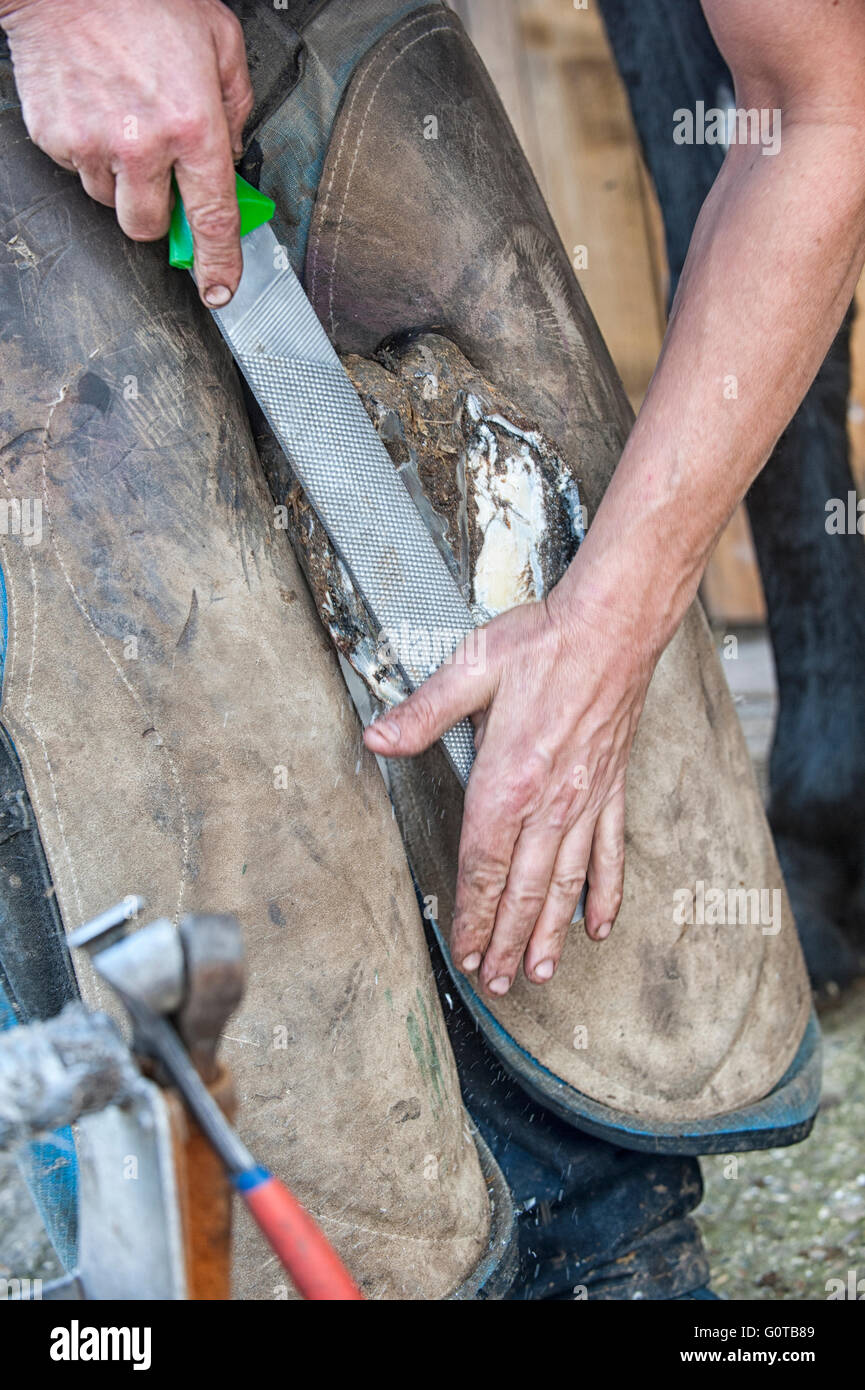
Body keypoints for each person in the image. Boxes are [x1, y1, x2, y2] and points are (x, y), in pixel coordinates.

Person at [0, 0, 839, 1299]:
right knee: (156, 765)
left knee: (506, 534)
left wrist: (605, 628)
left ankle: (603, 1232)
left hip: (328, 53)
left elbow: (821, 107)